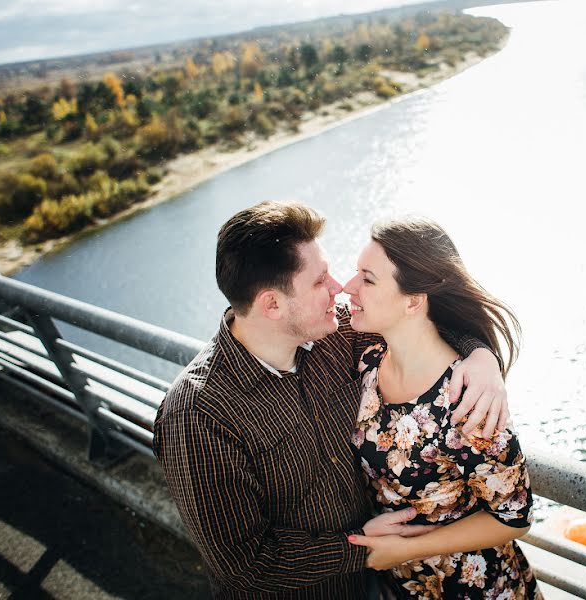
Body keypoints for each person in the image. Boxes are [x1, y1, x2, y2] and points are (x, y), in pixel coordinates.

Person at [153, 201, 510, 600]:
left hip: (382, 585)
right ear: (272, 304)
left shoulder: (335, 331)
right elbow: (244, 566)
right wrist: (357, 549)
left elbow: (417, 320)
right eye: (320, 280)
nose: (339, 288)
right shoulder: (197, 415)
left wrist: (481, 357)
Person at [344, 217, 541, 599]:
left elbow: (514, 519)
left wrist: (406, 550)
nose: (348, 288)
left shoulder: (468, 400)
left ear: (414, 300)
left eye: (367, 279)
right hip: (398, 588)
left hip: (477, 589)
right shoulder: (366, 360)